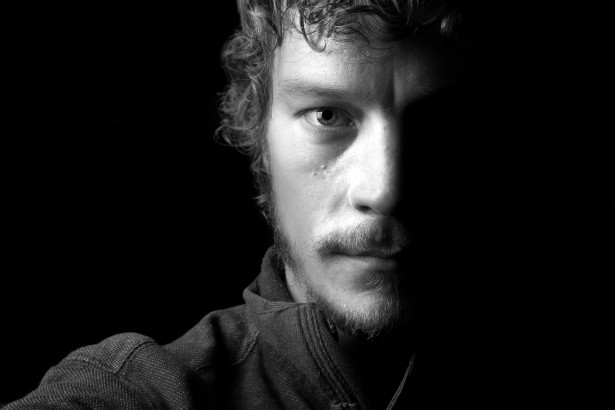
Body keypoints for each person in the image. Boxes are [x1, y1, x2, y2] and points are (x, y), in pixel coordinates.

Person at [5, 0, 598, 408]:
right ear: (258, 137)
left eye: (439, 124)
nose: (384, 189)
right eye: (328, 116)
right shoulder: (142, 394)